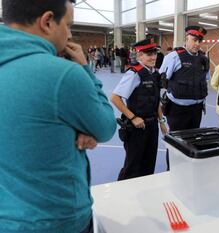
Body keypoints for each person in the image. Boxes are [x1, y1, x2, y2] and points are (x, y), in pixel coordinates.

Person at [0, 0, 117, 232]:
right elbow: (105, 127)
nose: (70, 33)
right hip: (54, 219)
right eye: (68, 24)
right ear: (47, 21)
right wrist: (85, 70)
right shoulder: (63, 75)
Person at [111, 38, 168, 180]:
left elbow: (156, 100)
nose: (153, 57)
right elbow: (115, 98)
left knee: (149, 164)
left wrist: (161, 121)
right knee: (133, 166)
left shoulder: (155, 73)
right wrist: (133, 117)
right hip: (137, 128)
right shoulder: (134, 73)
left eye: (154, 53)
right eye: (149, 54)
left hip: (152, 125)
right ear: (139, 55)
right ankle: (123, 195)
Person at [159, 25, 210, 169]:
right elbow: (162, 80)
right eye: (194, 40)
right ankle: (172, 171)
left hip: (196, 109)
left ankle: (188, 170)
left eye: (200, 41)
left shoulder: (203, 59)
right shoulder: (173, 57)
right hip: (177, 110)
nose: (197, 44)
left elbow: (204, 80)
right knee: (176, 143)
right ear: (186, 39)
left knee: (193, 141)